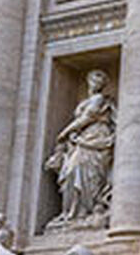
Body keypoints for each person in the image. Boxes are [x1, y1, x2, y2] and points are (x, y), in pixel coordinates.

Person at [46, 71, 116, 224]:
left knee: (86, 172)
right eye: (93, 81)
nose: (96, 84)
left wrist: (66, 132)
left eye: (99, 82)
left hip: (96, 136)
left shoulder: (98, 99)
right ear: (88, 82)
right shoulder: (87, 100)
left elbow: (88, 117)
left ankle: (84, 211)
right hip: (82, 139)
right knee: (71, 172)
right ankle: (71, 212)